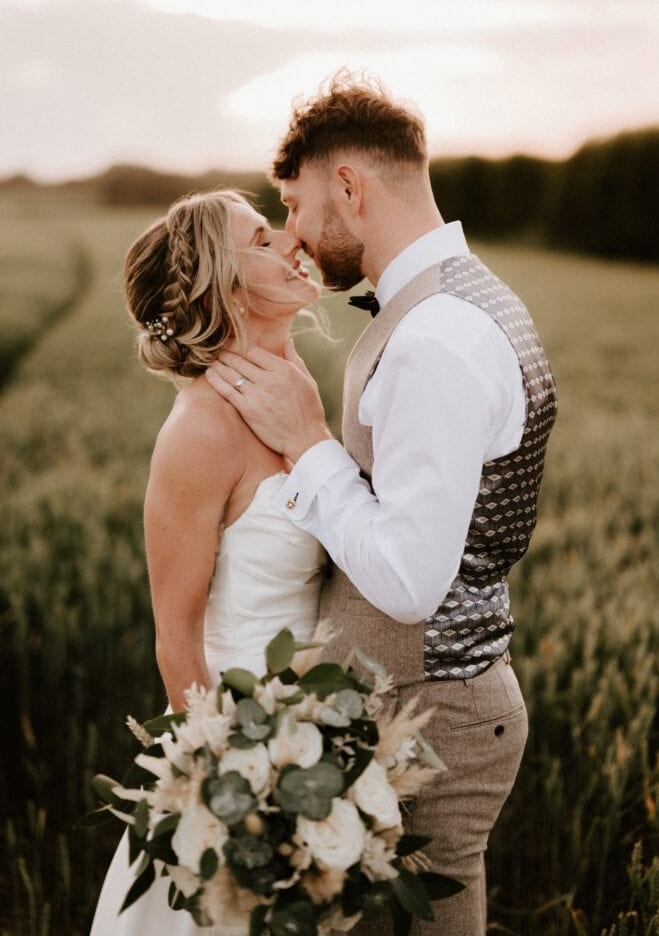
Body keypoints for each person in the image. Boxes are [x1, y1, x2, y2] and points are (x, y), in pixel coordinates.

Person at [205, 72, 558, 936]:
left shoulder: (436, 337)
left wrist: (307, 440)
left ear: (350, 188)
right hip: (422, 705)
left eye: (293, 204)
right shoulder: (454, 306)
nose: (292, 233)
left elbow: (406, 581)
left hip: (434, 719)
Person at [89, 189, 326, 935]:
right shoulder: (199, 432)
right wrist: (233, 799)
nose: (294, 241)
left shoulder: (294, 392)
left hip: (318, 741)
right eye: (263, 237)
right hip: (239, 761)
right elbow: (176, 638)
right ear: (225, 286)